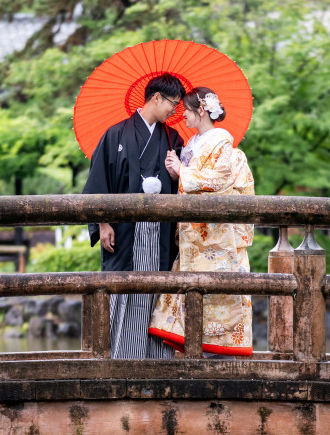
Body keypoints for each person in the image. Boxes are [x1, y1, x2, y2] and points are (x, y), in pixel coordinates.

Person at [82, 72, 186, 358]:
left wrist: (177, 172)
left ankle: (156, 366)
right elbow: (98, 182)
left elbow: (184, 187)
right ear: (156, 98)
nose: (174, 111)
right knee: (122, 292)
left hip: (161, 235)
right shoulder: (115, 134)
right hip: (125, 231)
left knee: (158, 292)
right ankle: (119, 362)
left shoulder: (173, 138)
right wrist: (103, 222)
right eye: (172, 104)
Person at [148, 86, 254, 357]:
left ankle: (217, 359)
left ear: (201, 110)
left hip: (214, 236)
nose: (182, 115)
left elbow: (219, 182)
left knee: (215, 295)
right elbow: (188, 182)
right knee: (190, 294)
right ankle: (192, 358)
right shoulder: (192, 144)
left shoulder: (221, 142)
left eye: (186, 109)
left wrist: (183, 171)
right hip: (192, 236)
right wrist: (176, 174)